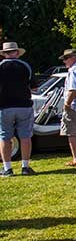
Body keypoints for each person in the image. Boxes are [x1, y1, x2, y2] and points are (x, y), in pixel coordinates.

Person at [0, 41, 36, 177]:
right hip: (24, 105)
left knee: (4, 136)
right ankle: (25, 166)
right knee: (26, 136)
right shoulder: (25, 66)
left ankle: (7, 168)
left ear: (4, 54)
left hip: (4, 106)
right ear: (17, 53)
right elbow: (34, 87)